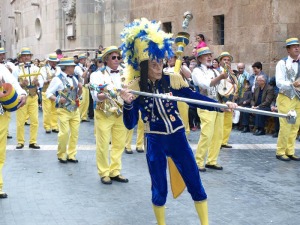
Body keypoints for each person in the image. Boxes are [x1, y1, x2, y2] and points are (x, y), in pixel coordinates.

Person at [120, 18, 237, 225]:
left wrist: (221, 104)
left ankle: (205, 223)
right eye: (153, 63)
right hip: (154, 141)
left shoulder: (172, 80)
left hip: (178, 137)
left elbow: (196, 99)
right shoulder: (136, 87)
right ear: (144, 65)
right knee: (159, 188)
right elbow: (129, 124)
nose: (159, 67)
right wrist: (128, 104)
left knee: (195, 181)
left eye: (160, 62)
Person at [90, 46, 128, 185]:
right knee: (103, 144)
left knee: (119, 144)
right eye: (114, 57)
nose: (117, 60)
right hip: (104, 113)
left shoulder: (125, 73)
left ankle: (115, 171)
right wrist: (106, 94)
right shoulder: (97, 75)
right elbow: (95, 96)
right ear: (106, 59)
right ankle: (104, 172)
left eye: (119, 57)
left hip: (121, 112)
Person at [192, 47, 229, 172]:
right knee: (206, 134)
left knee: (218, 135)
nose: (209, 57)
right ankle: (198, 161)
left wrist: (228, 79)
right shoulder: (196, 71)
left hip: (218, 105)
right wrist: (221, 77)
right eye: (205, 55)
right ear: (199, 58)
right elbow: (205, 84)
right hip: (205, 105)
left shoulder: (214, 71)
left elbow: (223, 86)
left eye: (210, 55)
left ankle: (212, 161)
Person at [46, 57, 82, 163]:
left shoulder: (75, 78)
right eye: (72, 66)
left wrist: (80, 89)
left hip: (75, 110)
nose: (74, 68)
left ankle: (72, 154)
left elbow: (78, 95)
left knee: (75, 133)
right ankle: (61, 154)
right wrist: (58, 99)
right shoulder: (57, 79)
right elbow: (48, 93)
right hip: (63, 110)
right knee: (64, 133)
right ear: (66, 67)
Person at [0, 64, 27, 198]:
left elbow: (12, 82)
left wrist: (22, 93)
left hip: (1, 114)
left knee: (0, 152)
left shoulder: (1, 68)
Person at [13, 47, 44, 149]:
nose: (26, 57)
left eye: (28, 55)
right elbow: (12, 83)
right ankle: (20, 141)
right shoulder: (16, 69)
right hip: (22, 97)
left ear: (31, 57)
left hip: (33, 96)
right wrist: (20, 83)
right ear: (21, 57)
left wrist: (38, 83)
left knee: (35, 120)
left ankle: (33, 141)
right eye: (24, 56)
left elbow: (41, 82)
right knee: (20, 121)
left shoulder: (36, 68)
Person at [275, 38, 300, 161]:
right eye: (293, 46)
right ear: (288, 50)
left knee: (295, 125)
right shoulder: (282, 63)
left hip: (298, 97)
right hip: (286, 96)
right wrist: (292, 84)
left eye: (298, 46)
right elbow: (279, 82)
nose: (296, 48)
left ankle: (290, 151)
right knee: (286, 124)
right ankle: (280, 151)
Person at [218, 52, 238, 148]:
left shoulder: (231, 73)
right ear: (220, 61)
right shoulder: (217, 71)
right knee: (220, 122)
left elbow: (237, 85)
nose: (227, 61)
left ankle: (224, 141)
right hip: (221, 100)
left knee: (228, 122)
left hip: (230, 99)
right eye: (224, 60)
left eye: (228, 60)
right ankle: (218, 141)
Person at [40, 53, 60, 133]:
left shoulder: (57, 69)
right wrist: (49, 81)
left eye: (55, 62)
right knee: (47, 110)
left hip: (54, 92)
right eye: (52, 61)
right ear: (49, 61)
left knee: (54, 109)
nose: (54, 63)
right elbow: (42, 81)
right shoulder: (43, 69)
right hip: (46, 91)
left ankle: (54, 125)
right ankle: (47, 126)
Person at [74, 54, 91, 122]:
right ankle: (78, 116)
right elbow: (83, 75)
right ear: (81, 60)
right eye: (84, 60)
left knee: (86, 102)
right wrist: (87, 68)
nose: (85, 61)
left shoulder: (84, 67)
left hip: (86, 86)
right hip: (80, 86)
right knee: (81, 102)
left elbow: (87, 76)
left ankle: (84, 116)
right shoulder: (77, 67)